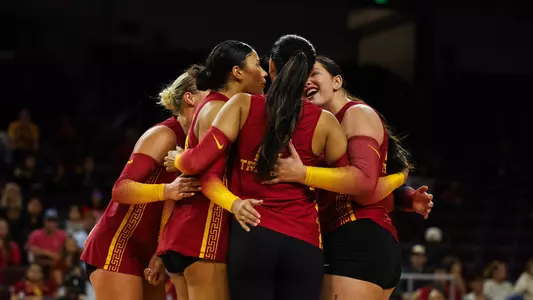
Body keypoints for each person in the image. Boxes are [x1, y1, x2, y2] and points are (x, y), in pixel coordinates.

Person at [165, 35, 405, 300]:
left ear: (271, 68)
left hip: (253, 233)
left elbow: (200, 165)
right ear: (307, 71)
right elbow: (356, 181)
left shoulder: (242, 104)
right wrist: (306, 174)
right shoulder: (325, 122)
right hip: (304, 243)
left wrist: (178, 159)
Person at [265, 56, 433, 300]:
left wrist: (303, 174)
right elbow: (376, 179)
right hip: (359, 243)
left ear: (337, 81)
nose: (306, 82)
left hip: (356, 241)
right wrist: (404, 194)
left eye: (314, 74)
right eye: (302, 77)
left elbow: (365, 187)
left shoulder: (356, 114)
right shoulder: (321, 127)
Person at [80, 66, 205, 300]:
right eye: (211, 93)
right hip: (118, 244)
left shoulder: (196, 143)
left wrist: (160, 252)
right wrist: (167, 189)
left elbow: (174, 205)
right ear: (190, 97)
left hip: (149, 250)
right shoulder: (164, 135)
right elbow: (120, 189)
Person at [158, 40, 267, 300]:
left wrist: (182, 159)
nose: (263, 73)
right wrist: (236, 203)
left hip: (185, 234)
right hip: (204, 233)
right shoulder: (220, 109)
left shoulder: (212, 106)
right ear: (237, 72)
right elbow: (207, 174)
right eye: (258, 64)